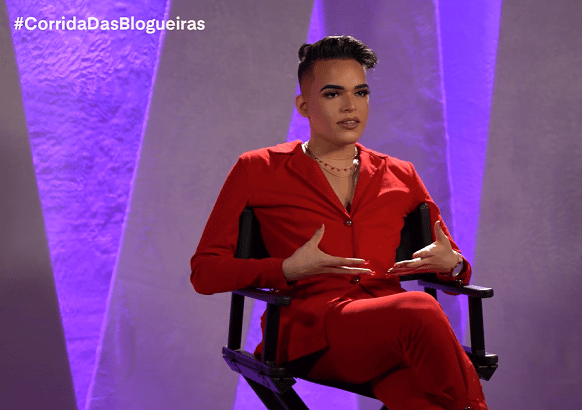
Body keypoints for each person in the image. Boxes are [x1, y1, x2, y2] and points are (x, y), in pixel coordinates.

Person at [191, 35, 488, 410]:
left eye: (360, 92)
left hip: (390, 337)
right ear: (303, 105)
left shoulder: (401, 173)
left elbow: (453, 263)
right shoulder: (257, 168)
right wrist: (286, 268)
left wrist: (455, 265)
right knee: (421, 309)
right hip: (310, 333)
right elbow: (204, 272)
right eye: (333, 94)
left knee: (428, 402)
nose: (351, 106)